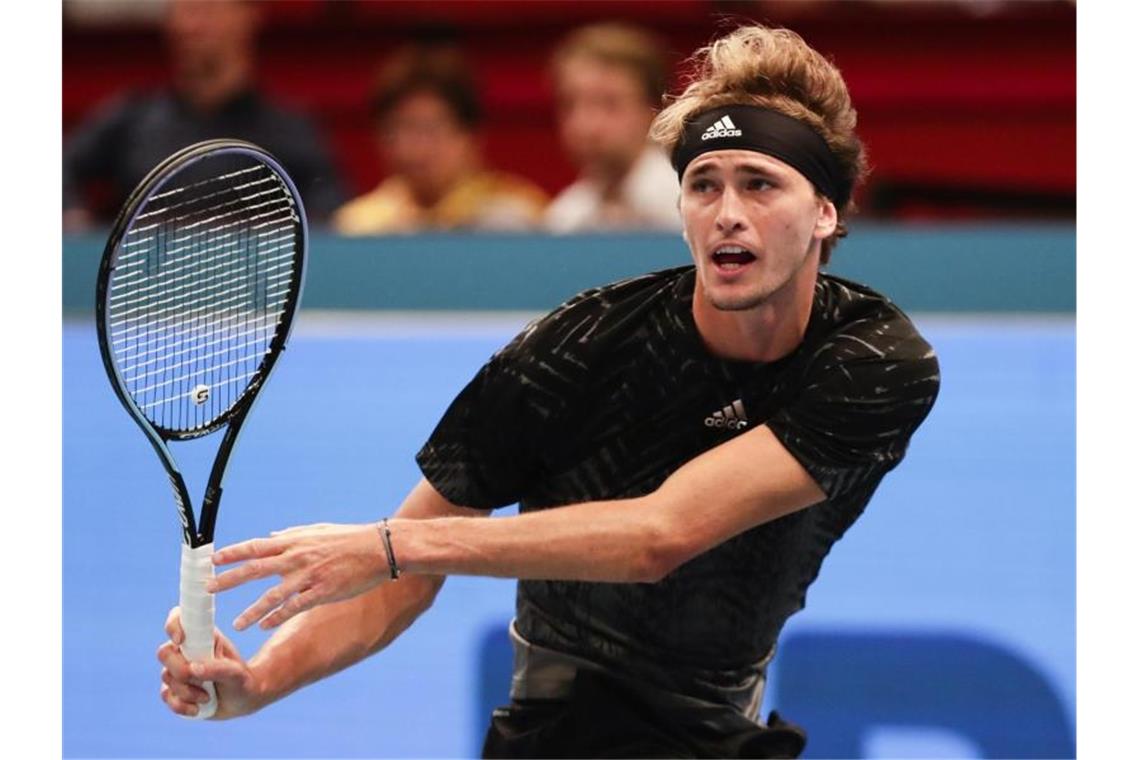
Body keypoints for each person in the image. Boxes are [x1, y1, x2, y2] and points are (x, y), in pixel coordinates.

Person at [157, 24, 940, 758]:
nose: (728, 214)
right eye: (704, 185)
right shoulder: (577, 350)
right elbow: (398, 586)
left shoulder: (871, 360)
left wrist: (387, 545)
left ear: (826, 213)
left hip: (723, 731)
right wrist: (257, 682)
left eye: (760, 185)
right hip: (560, 733)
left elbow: (657, 538)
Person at [63, 0, 346, 230]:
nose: (190, 26)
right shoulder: (130, 118)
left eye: (207, 10)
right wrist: (71, 215)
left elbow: (331, 211)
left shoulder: (292, 128)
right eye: (182, 11)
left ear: (249, 16)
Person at [332, 49, 548, 234]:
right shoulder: (358, 225)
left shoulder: (518, 217)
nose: (416, 149)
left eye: (430, 129)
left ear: (470, 135)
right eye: (401, 129)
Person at [545, 23, 682, 232]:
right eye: (569, 104)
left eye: (609, 103)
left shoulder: (689, 204)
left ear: (655, 111)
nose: (585, 125)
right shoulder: (564, 217)